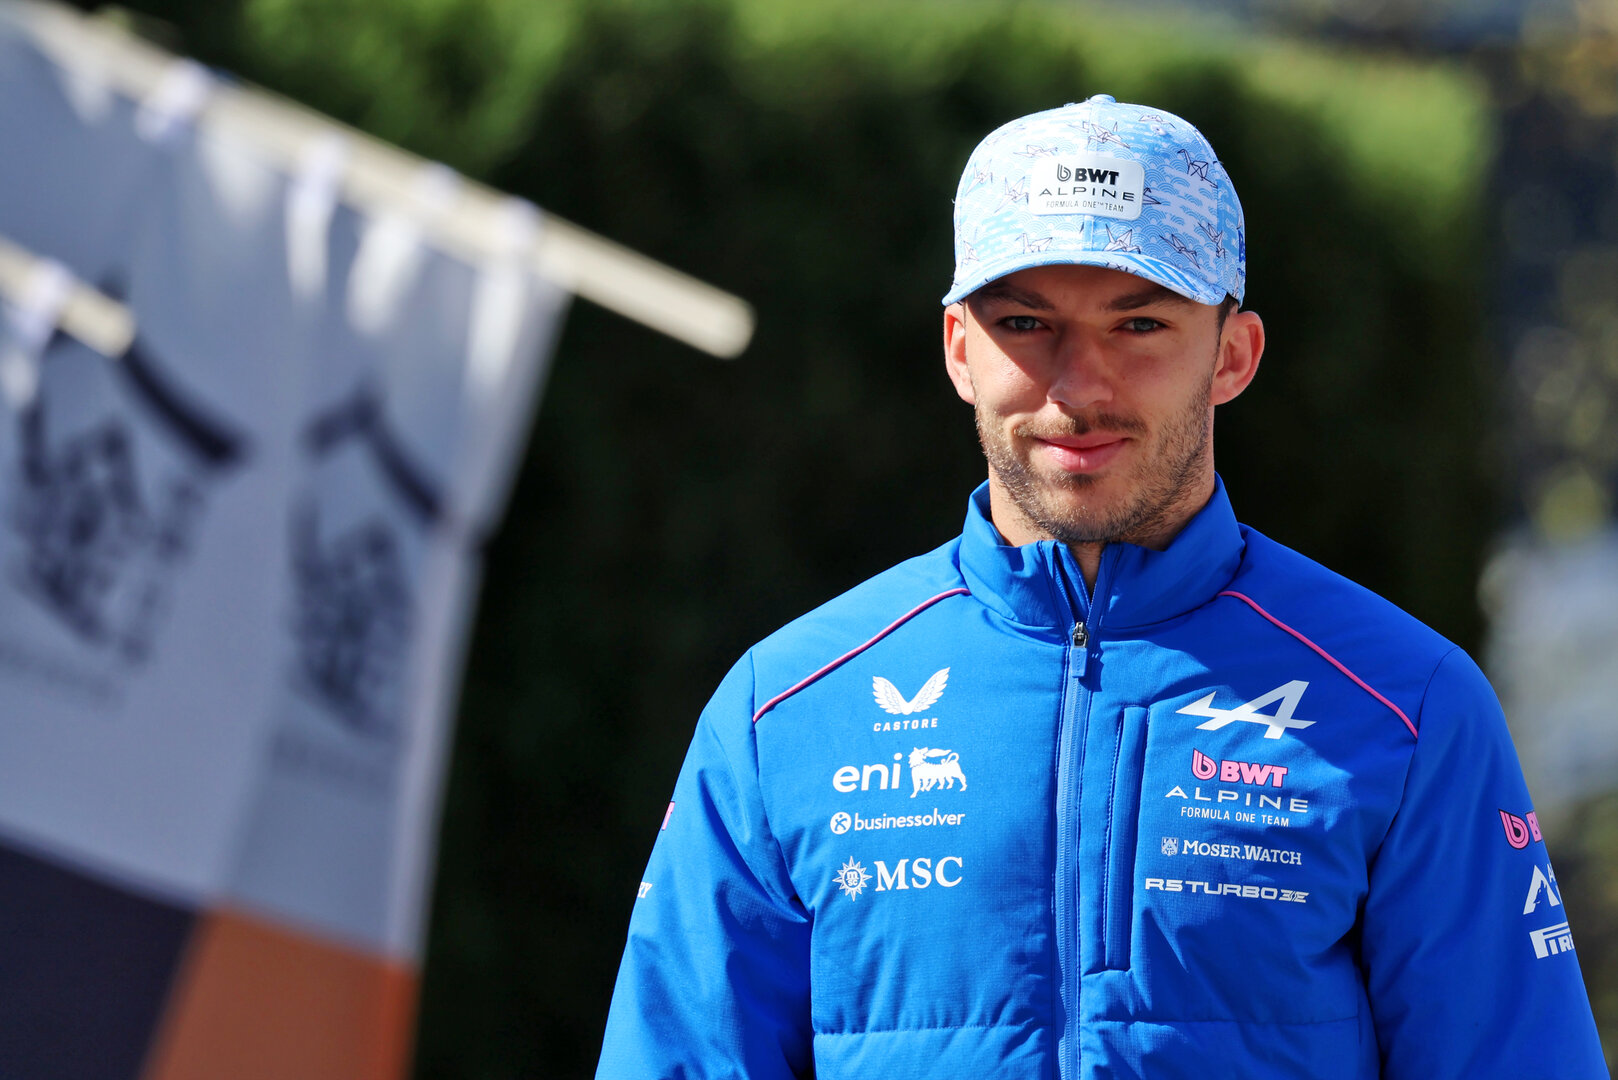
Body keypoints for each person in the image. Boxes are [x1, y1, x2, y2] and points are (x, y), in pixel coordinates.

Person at [594, 95, 1607, 1078]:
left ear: (1233, 355)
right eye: (1024, 322)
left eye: (1139, 325)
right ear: (959, 351)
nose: (1078, 388)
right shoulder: (784, 711)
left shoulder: (1408, 705)